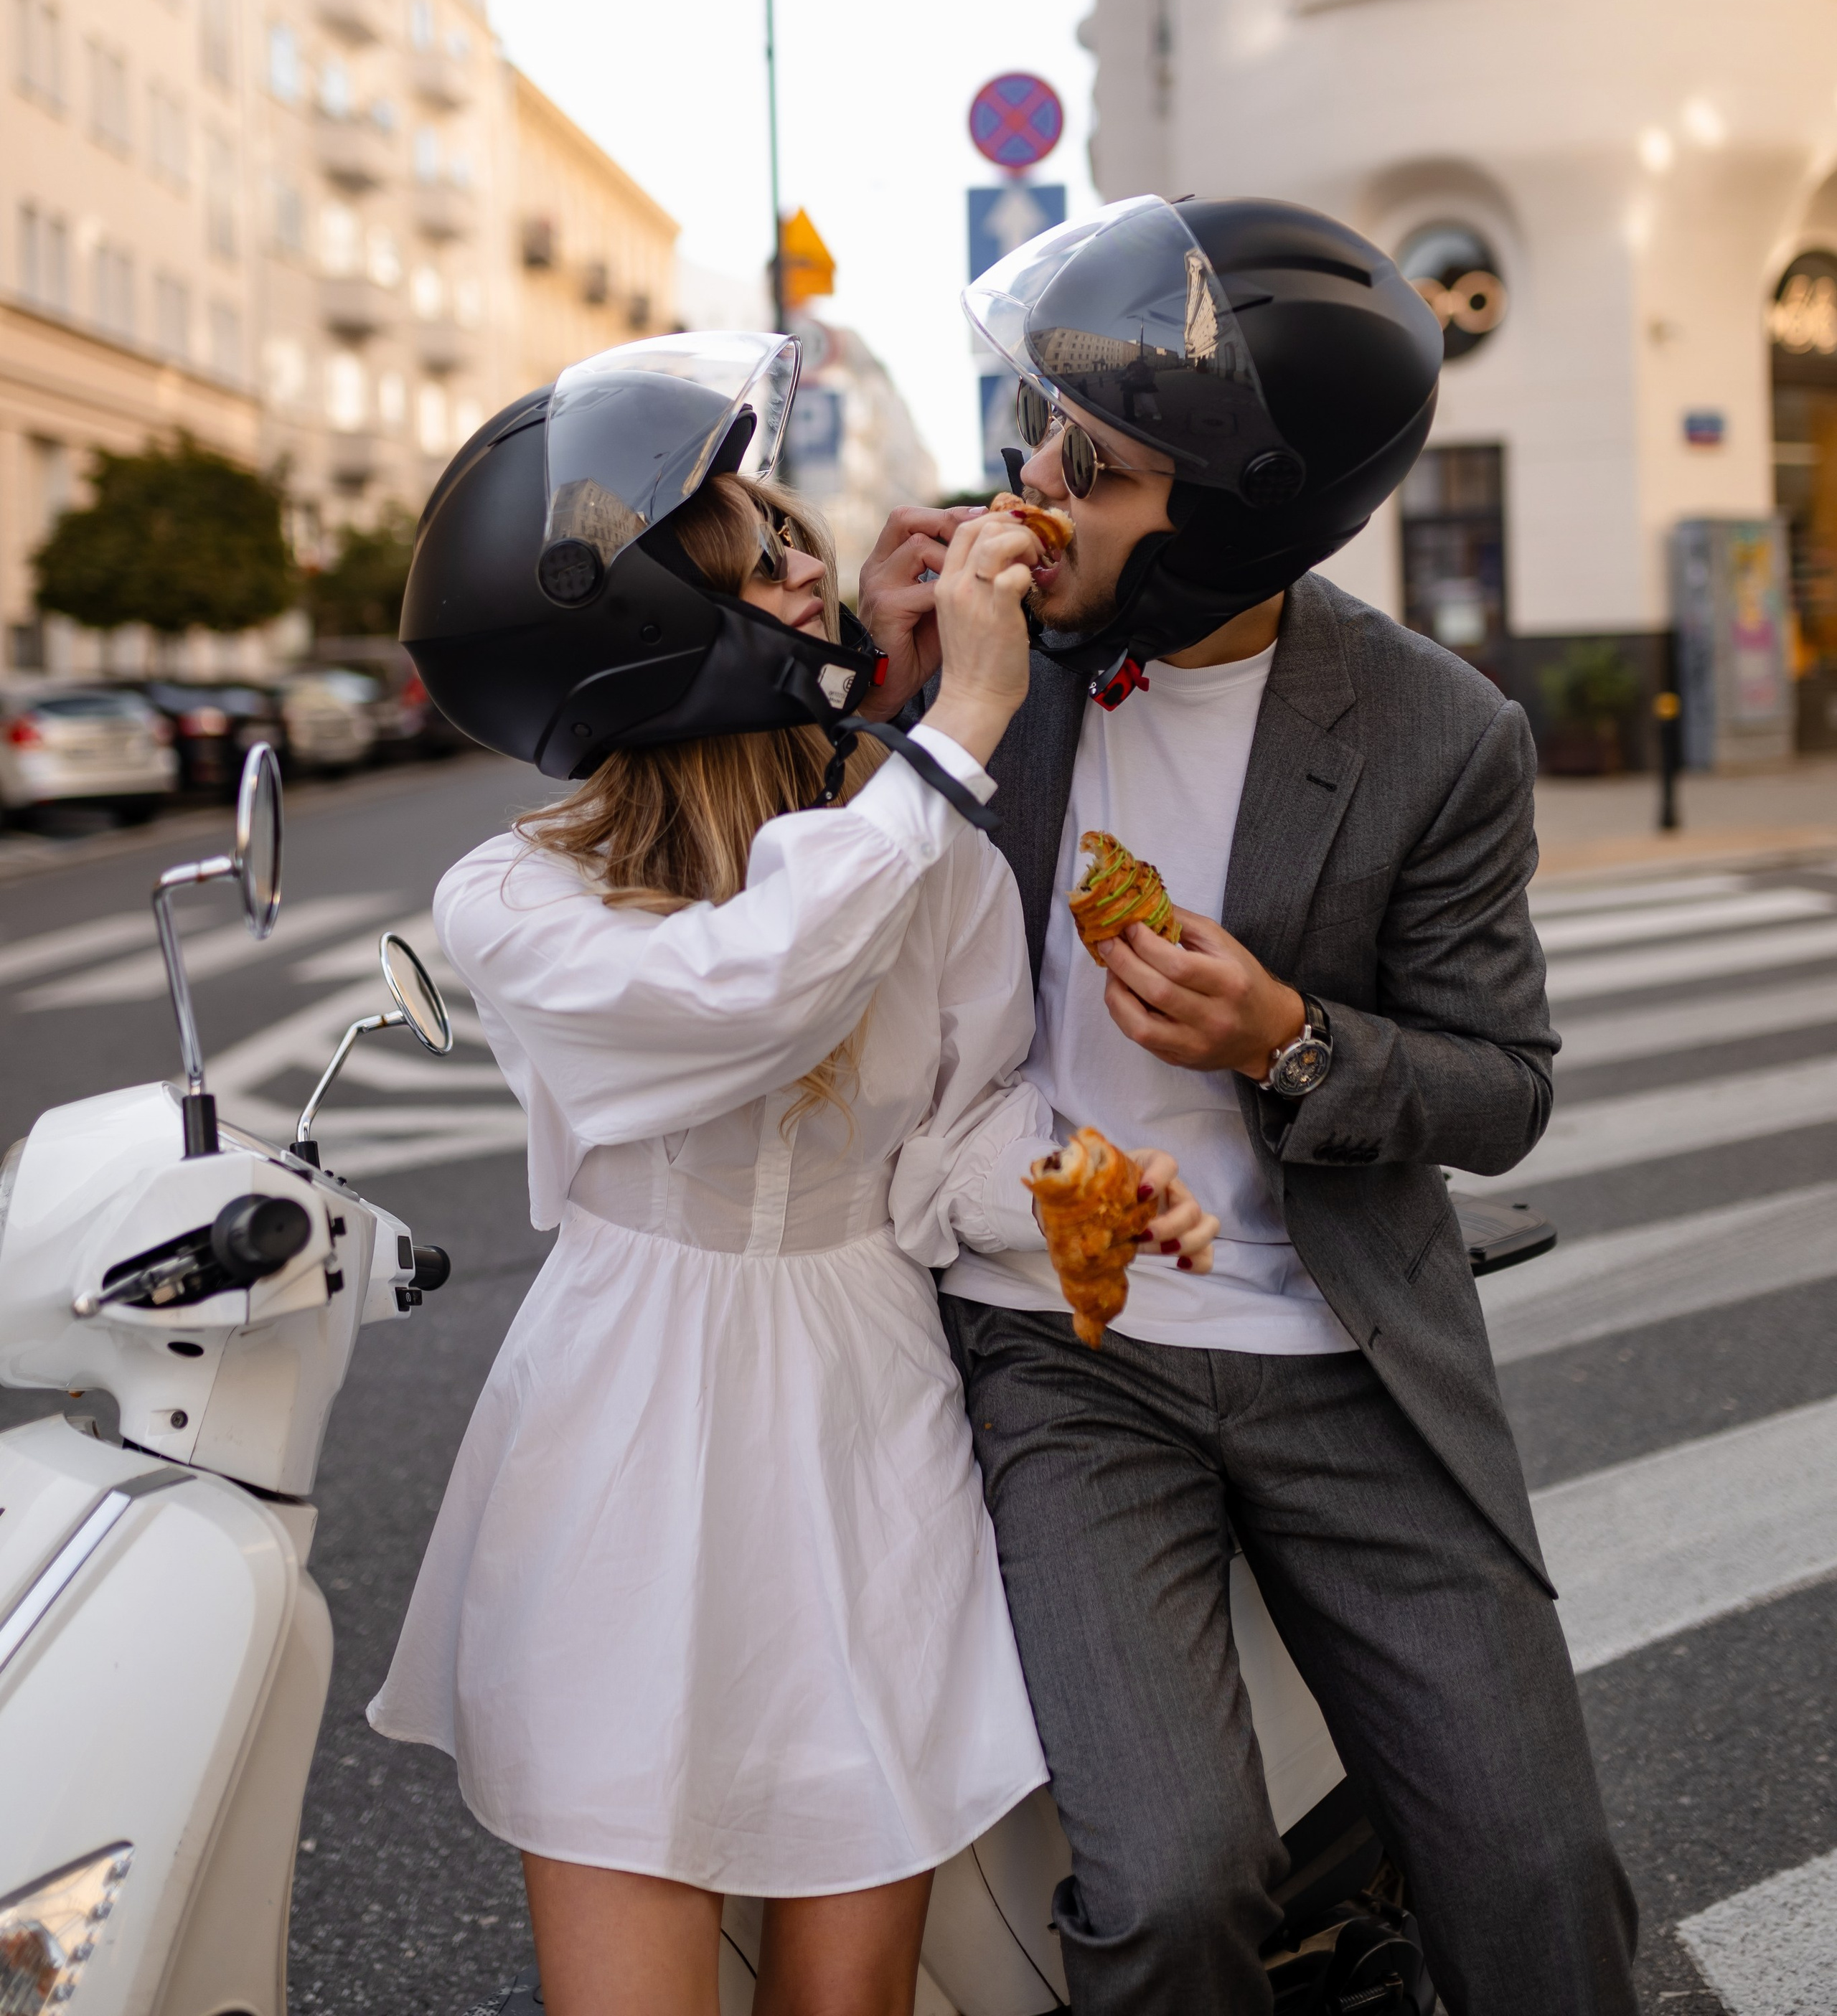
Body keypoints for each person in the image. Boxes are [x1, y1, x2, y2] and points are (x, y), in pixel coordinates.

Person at [367, 331, 1218, 2016]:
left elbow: (959, 1134)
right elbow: (738, 994)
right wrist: (956, 719)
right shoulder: (515, 895)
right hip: (626, 1434)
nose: (820, 560)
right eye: (764, 549)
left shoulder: (928, 858)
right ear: (644, 627)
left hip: (868, 1432)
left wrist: (1084, 1189)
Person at [858, 197, 1639, 2016]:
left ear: (1222, 534)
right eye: (1047, 432)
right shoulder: (982, 677)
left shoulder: (1436, 734)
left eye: (1099, 471)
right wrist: (874, 692)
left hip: (1335, 1338)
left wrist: (1285, 1033)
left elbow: (1504, 1089)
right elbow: (815, 924)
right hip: (1056, 1342)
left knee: (1539, 1877)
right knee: (1169, 1890)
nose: (1034, 484)